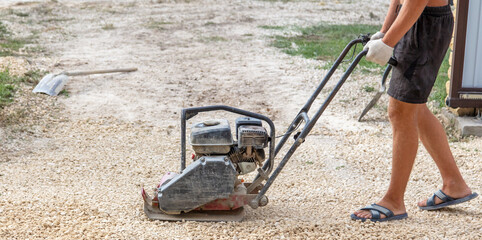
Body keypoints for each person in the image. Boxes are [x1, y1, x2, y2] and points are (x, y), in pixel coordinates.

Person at [351, 0, 478, 222]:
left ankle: (394, 201)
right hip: (415, 18)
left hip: (424, 23)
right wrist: (384, 32)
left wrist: (388, 41)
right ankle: (454, 184)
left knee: (400, 110)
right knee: (414, 108)